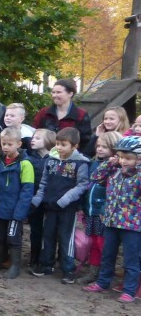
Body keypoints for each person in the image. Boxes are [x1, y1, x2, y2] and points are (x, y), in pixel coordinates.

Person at [83, 136, 141, 303]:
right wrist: (110, 162)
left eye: (129, 158)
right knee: (107, 255)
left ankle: (129, 290)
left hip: (132, 225)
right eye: (121, 157)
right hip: (110, 221)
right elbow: (95, 177)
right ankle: (102, 282)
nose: (124, 161)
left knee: (131, 259)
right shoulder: (114, 171)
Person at [30, 127, 90, 284]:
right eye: (57, 143)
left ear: (74, 146)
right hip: (50, 205)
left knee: (65, 238)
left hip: (67, 208)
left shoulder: (80, 162)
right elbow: (44, 181)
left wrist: (65, 199)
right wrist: (38, 198)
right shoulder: (51, 159)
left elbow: (82, 185)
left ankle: (68, 269)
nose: (59, 147)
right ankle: (46, 264)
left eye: (63, 144)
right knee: (48, 235)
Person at [0, 127, 35, 279]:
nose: (5, 147)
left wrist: (20, 211)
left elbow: (27, 190)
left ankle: (15, 265)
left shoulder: (25, 164)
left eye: (9, 144)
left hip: (15, 209)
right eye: (3, 143)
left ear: (19, 144)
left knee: (13, 237)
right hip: (0, 207)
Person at [78, 131, 122, 284]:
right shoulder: (95, 163)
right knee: (94, 243)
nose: (100, 149)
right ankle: (93, 272)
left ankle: (105, 274)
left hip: (104, 214)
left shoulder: (117, 168)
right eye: (99, 146)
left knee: (103, 245)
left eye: (105, 147)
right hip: (91, 212)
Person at [32, 78, 93, 155]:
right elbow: (34, 133)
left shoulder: (81, 115)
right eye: (53, 92)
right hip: (44, 157)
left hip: (70, 159)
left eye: (58, 92)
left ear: (70, 94)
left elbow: (85, 141)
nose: (54, 95)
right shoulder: (44, 113)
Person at [25, 128, 56, 268]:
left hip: (50, 199)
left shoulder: (55, 159)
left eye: (38, 138)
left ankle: (48, 259)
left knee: (50, 231)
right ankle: (34, 257)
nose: (33, 140)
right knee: (35, 229)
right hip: (34, 200)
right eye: (33, 137)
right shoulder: (29, 158)